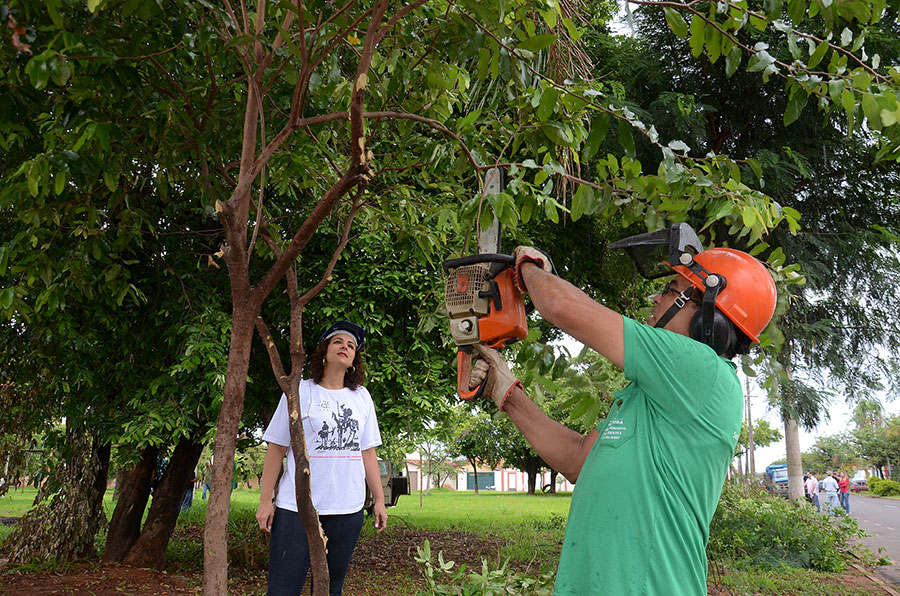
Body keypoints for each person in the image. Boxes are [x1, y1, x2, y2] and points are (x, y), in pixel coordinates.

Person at [468, 224, 777, 596]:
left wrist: (528, 268)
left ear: (705, 318)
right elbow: (579, 460)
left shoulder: (705, 372)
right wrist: (508, 393)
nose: (656, 299)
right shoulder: (649, 394)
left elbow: (561, 307)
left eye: (670, 290)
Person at [256, 321, 387, 596]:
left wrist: (379, 500)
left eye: (351, 345)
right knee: (282, 590)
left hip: (346, 511)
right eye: (338, 341)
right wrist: (265, 500)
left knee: (329, 588)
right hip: (297, 508)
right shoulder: (300, 391)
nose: (345, 347)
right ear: (324, 350)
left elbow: (368, 452)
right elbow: (277, 448)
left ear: (353, 360)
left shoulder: (361, 397)